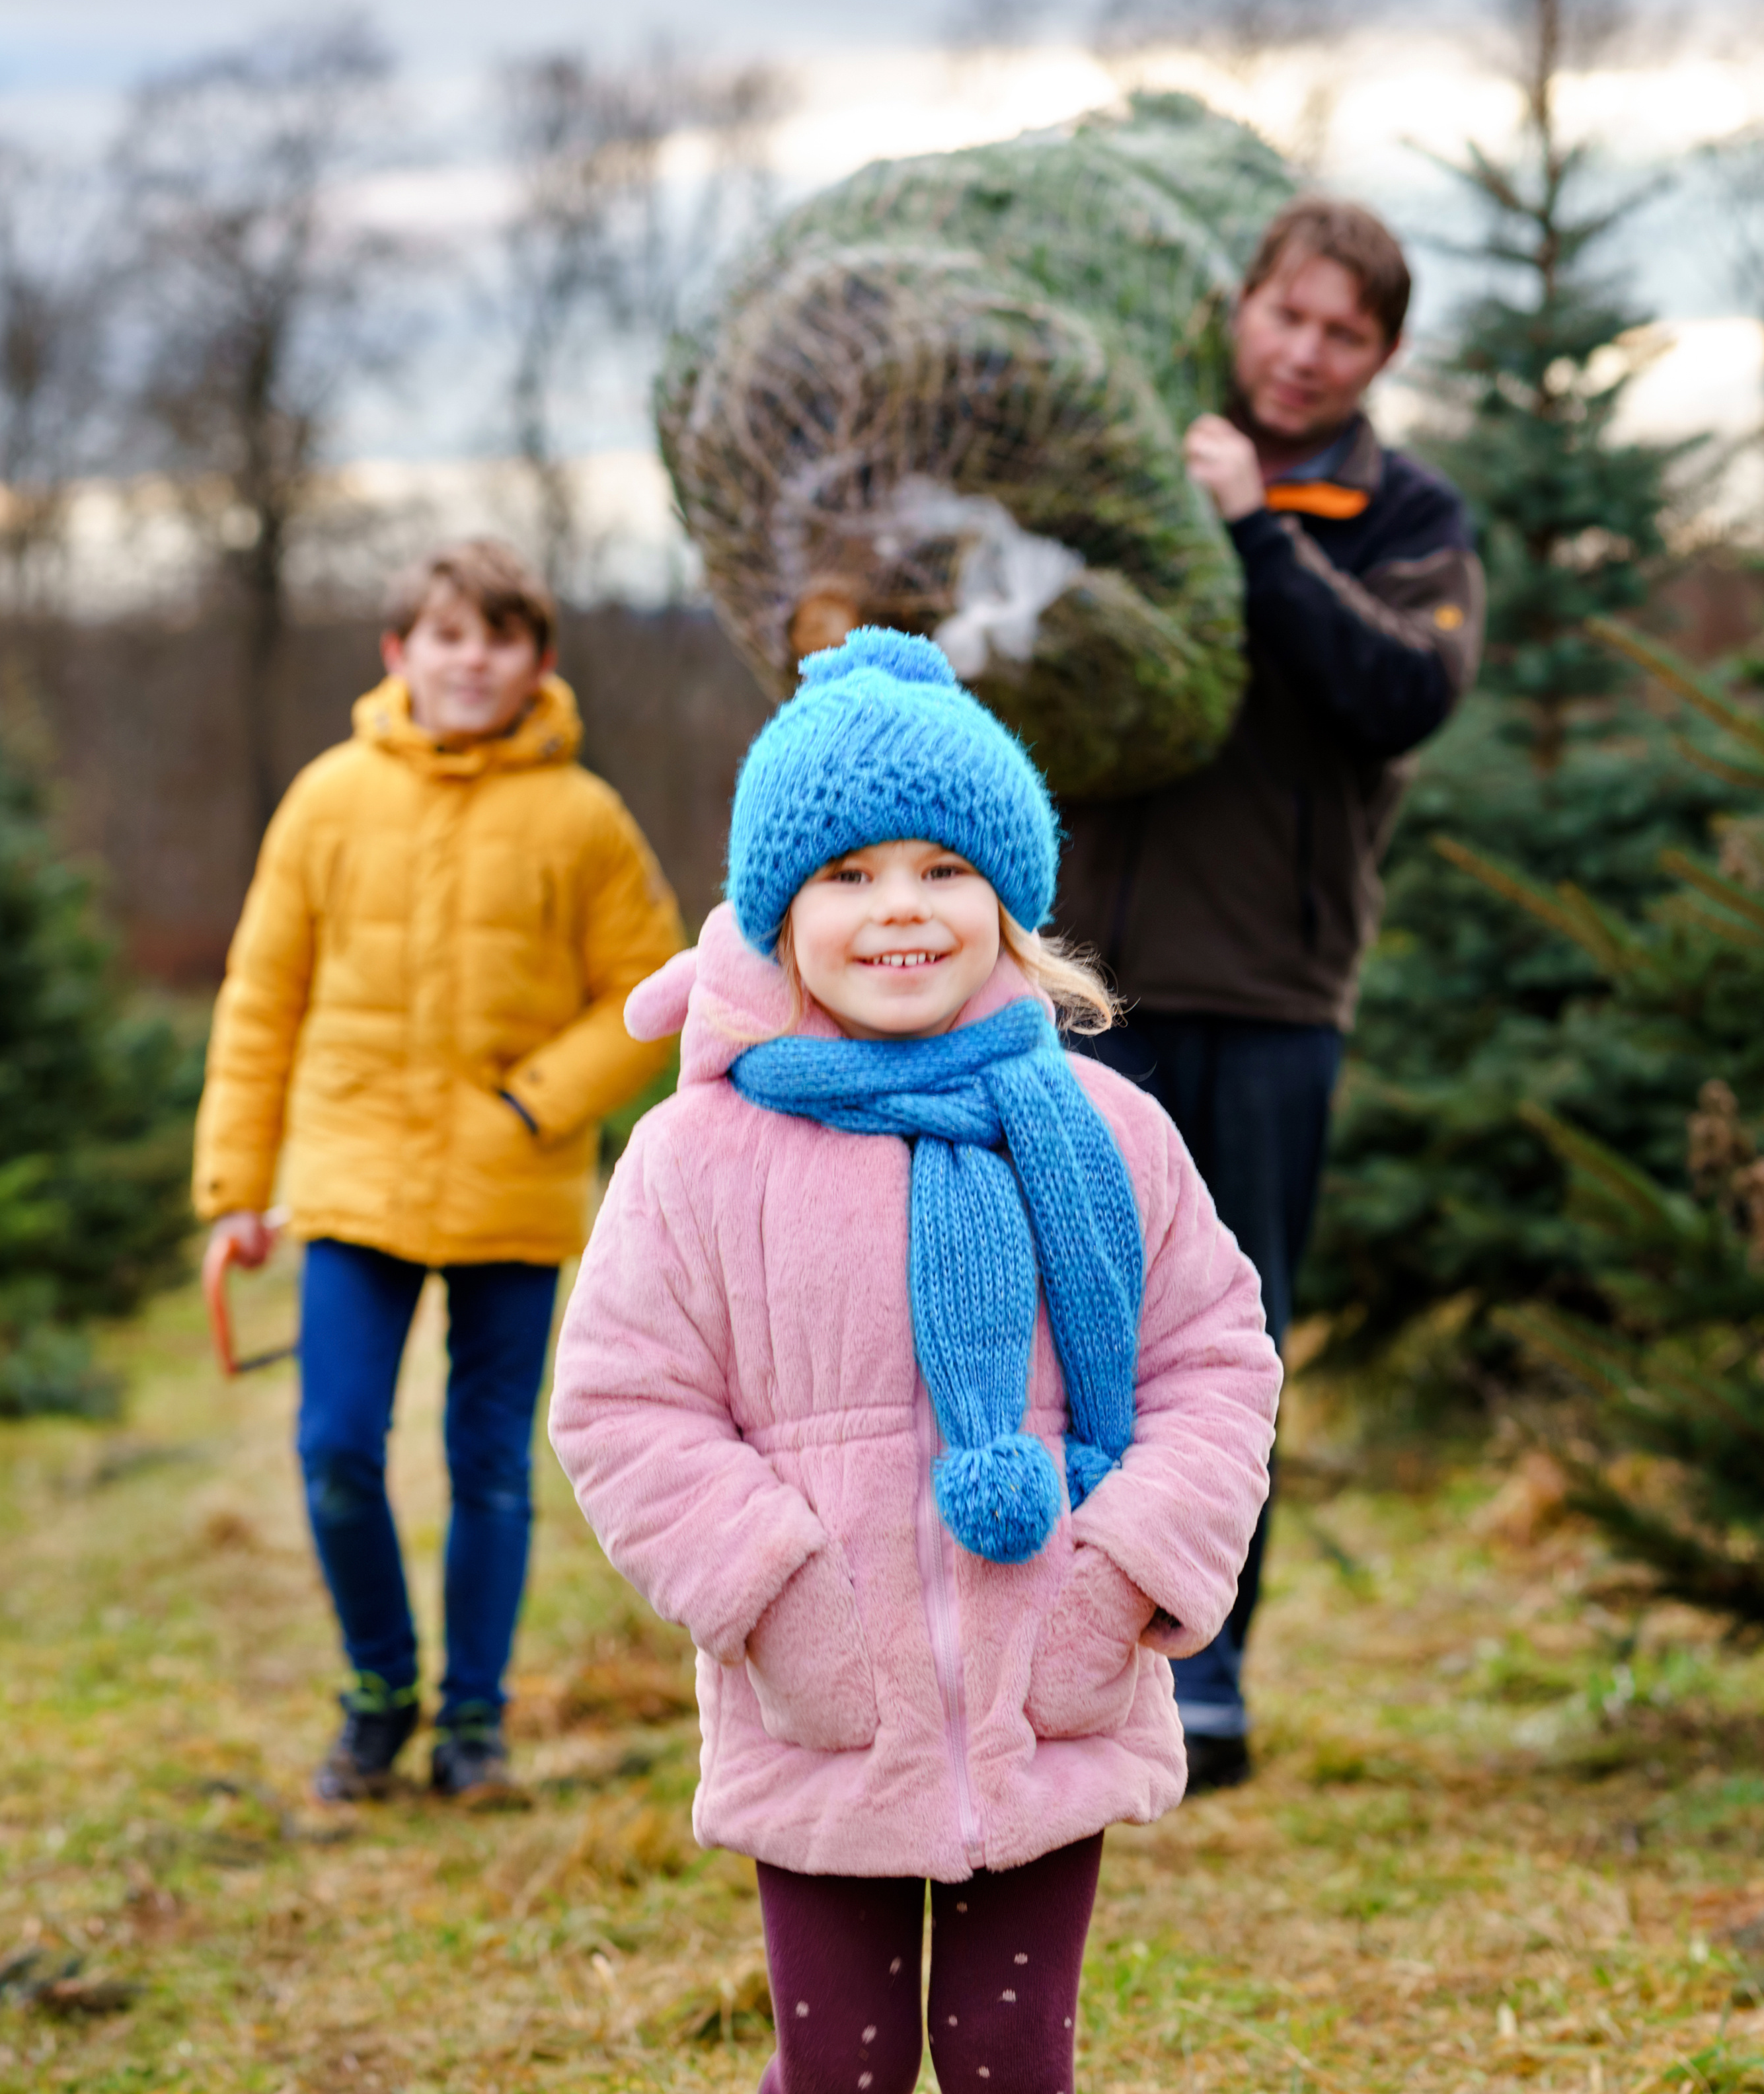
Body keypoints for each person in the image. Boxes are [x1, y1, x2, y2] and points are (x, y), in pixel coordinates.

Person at [552, 630, 1281, 2094]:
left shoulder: (1106, 1130)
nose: (902, 910)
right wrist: (777, 1600)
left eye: (945, 869)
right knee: (844, 2070)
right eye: (848, 874)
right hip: (823, 1702)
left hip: (1045, 1682)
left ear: (1008, 897)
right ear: (774, 910)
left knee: (1013, 2057)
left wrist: (1122, 1572)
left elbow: (1216, 1356)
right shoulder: (699, 1154)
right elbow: (625, 1400)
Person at [1054, 196, 1485, 1796]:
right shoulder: (1128, 459)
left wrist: (1253, 532)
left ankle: (1207, 1674)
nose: (1303, 356)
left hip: (1275, 993)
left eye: (1344, 335)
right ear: (1239, 310)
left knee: (1226, 1343)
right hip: (1083, 988)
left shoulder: (1399, 511)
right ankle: (1058, 1660)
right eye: (1284, 318)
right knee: (1064, 1332)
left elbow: (1399, 692)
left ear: (1379, 356)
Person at [194, 537, 684, 1804]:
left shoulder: (584, 817)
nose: (474, 660)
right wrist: (235, 1188)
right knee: (337, 1447)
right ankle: (377, 1693)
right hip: (352, 1182)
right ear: (399, 652)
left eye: (500, 637)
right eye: (448, 635)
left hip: (512, 1188)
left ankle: (474, 1720)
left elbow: (649, 991)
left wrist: (534, 1105)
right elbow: (262, 997)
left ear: (539, 660)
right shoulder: (327, 799)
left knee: (489, 1464)